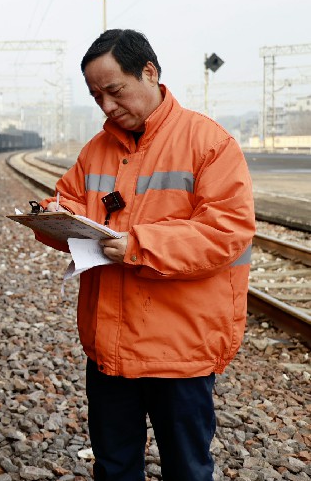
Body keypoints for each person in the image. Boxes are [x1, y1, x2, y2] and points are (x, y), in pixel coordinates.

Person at [34, 29, 255, 480]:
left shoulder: (209, 143)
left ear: (149, 73)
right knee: (115, 467)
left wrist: (138, 246)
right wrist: (54, 216)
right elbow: (73, 201)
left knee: (187, 470)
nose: (108, 106)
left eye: (115, 91)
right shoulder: (96, 150)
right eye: (97, 97)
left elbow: (226, 231)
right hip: (109, 349)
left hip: (179, 351)